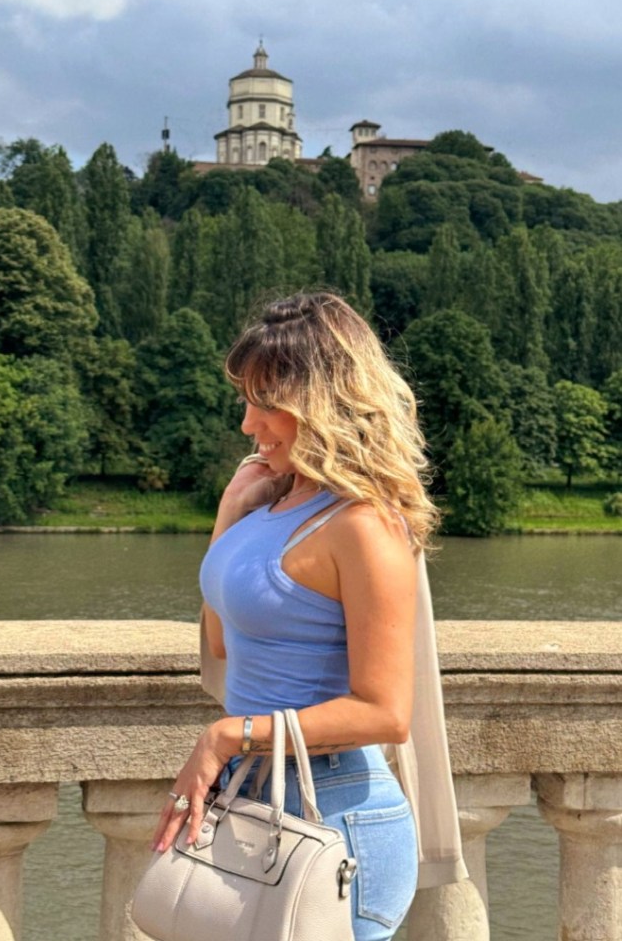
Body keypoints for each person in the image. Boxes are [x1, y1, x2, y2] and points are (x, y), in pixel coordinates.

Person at [151, 291, 465, 940]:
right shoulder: (271, 502)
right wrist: (229, 516)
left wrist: (225, 737)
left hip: (333, 821)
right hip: (252, 802)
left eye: (264, 402)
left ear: (318, 403)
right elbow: (222, 642)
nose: (246, 423)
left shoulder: (364, 526)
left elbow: (385, 713)